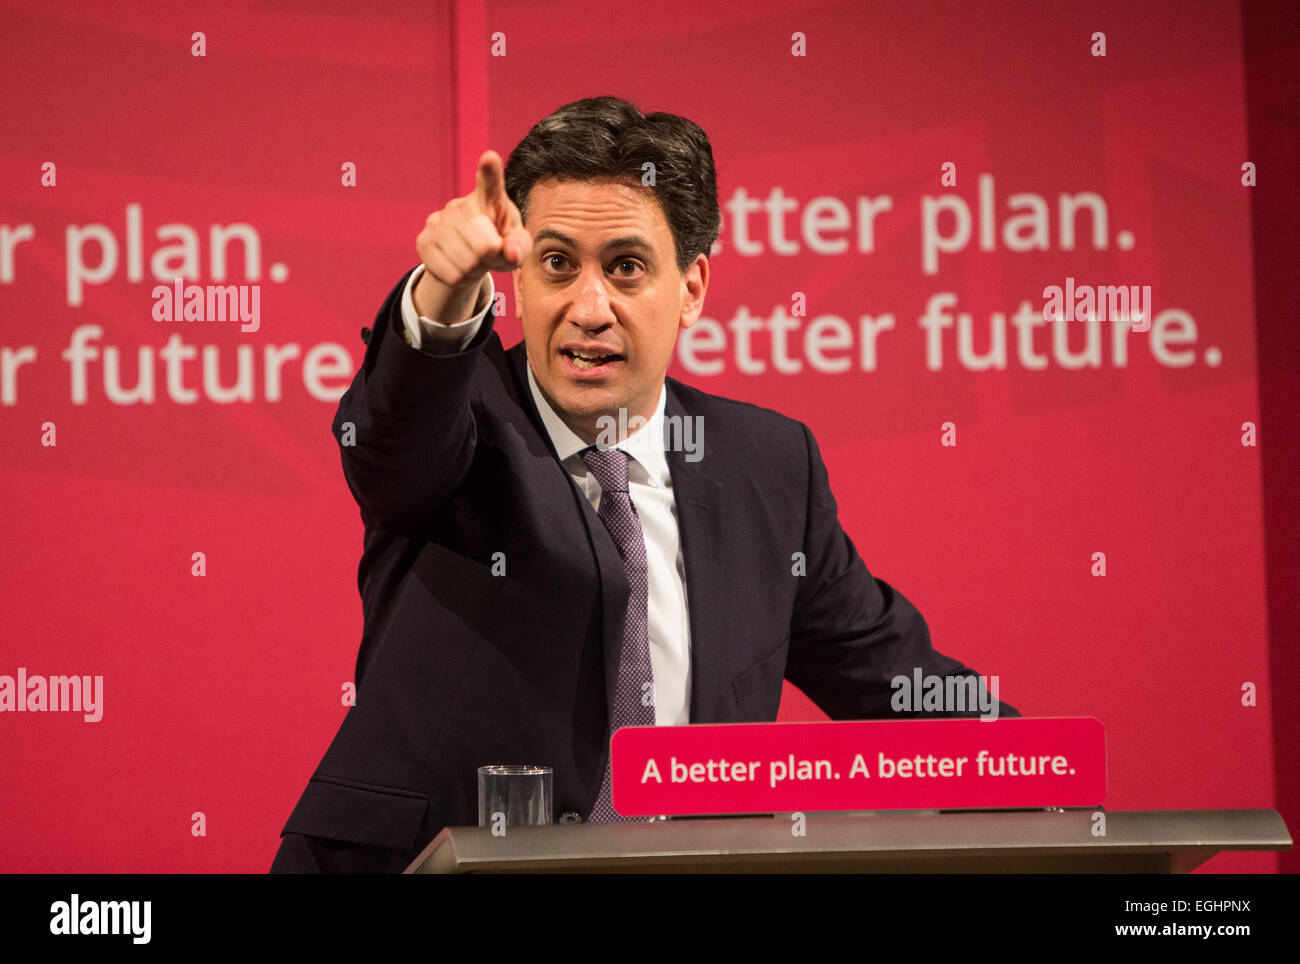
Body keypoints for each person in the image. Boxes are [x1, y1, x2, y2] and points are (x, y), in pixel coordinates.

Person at [270, 95, 1016, 874]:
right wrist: (443, 295)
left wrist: (1046, 781)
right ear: (518, 279)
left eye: (626, 267)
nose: (589, 309)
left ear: (692, 288)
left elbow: (890, 682)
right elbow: (390, 443)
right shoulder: (459, 419)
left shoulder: (766, 464)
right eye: (557, 264)